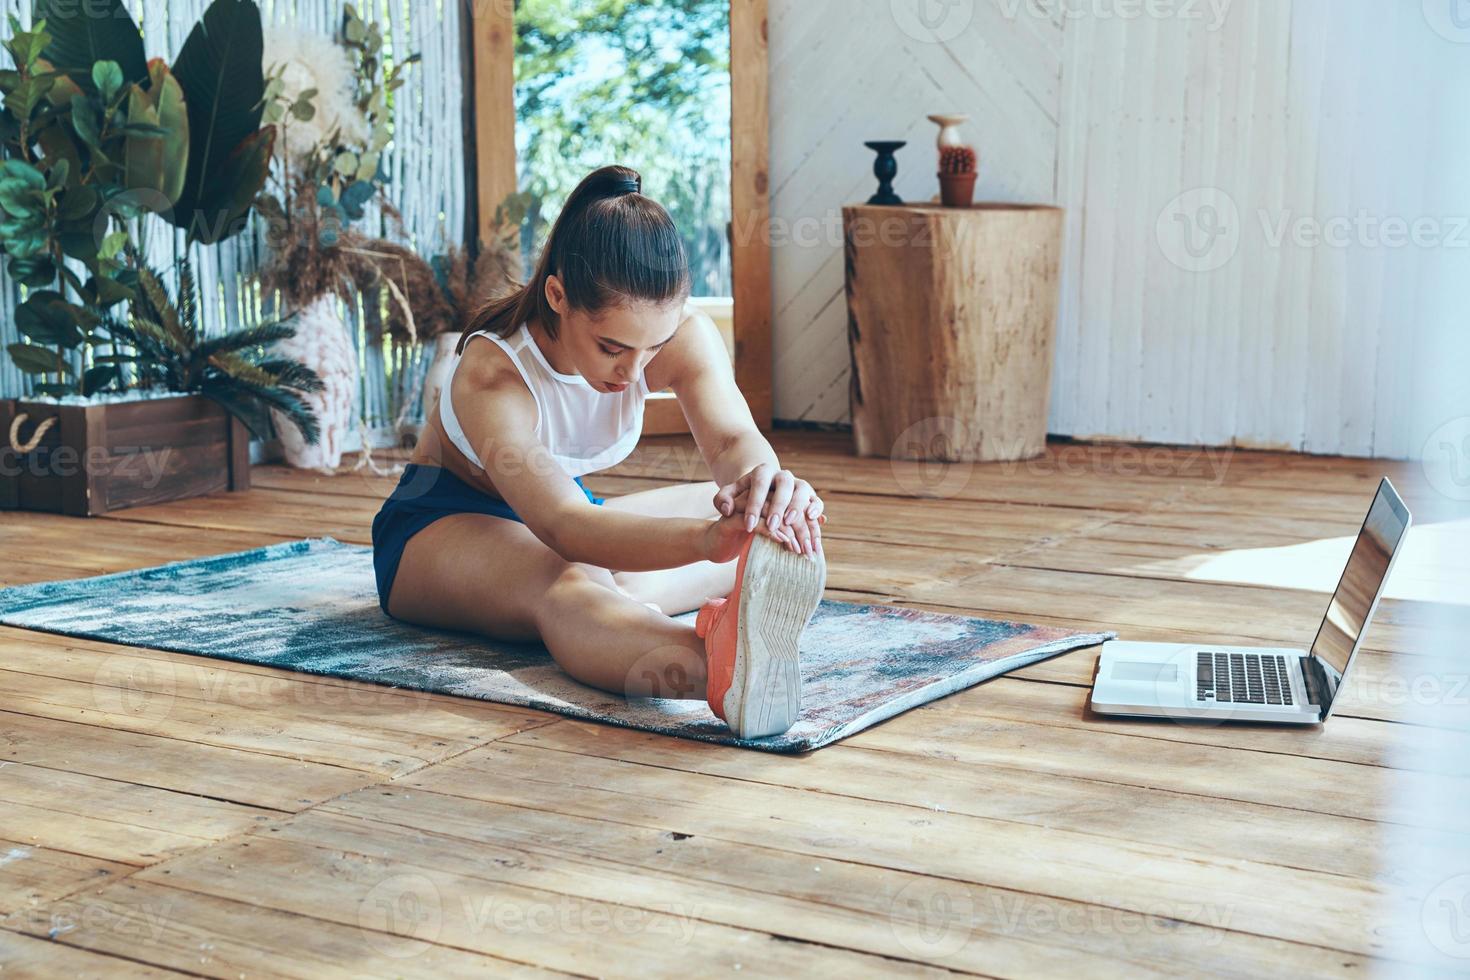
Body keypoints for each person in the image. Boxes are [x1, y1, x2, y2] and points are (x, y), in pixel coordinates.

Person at [371, 164, 827, 738]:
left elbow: (734, 441)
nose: (633, 370)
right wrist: (704, 542)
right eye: (612, 346)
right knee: (568, 583)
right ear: (558, 296)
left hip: (572, 517)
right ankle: (722, 669)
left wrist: (766, 489)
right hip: (440, 527)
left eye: (654, 345)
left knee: (755, 524)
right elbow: (564, 523)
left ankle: (638, 616)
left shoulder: (682, 336)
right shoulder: (493, 373)